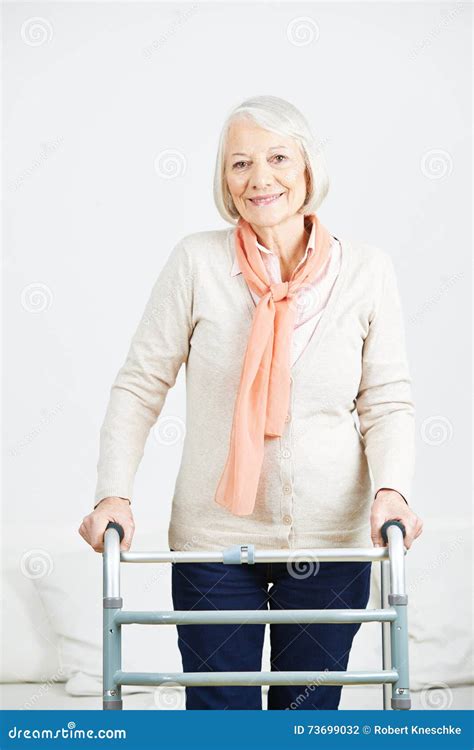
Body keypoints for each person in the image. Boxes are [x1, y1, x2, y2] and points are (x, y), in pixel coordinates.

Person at [79, 95, 423, 710]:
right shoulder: (196, 262)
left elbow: (387, 400)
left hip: (328, 541)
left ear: (309, 169)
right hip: (214, 537)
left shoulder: (368, 270)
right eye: (239, 164)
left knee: (307, 718)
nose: (259, 178)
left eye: (277, 158)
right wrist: (114, 493)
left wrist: (392, 489)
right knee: (219, 715)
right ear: (224, 180)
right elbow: (140, 384)